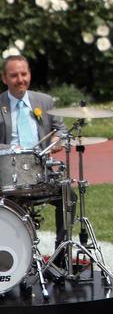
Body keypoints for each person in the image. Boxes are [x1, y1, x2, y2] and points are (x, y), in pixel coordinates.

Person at [0, 55, 68, 265]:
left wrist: (57, 140)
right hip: (8, 176)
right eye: (14, 75)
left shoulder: (44, 101)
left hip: (42, 173)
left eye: (24, 74)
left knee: (69, 196)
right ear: (4, 78)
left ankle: (61, 253)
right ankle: (9, 259)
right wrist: (11, 148)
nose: (20, 79)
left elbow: (62, 131)